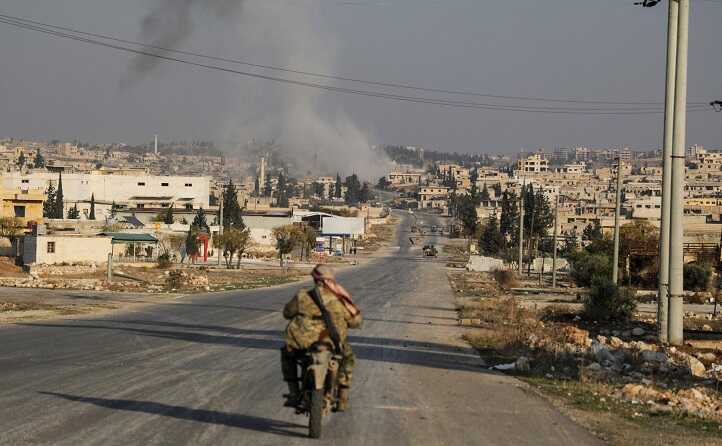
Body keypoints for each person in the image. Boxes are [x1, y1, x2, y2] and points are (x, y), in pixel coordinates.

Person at [281, 265, 362, 411]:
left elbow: (287, 313)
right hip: (331, 342)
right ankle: (343, 397)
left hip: (302, 343)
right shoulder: (340, 298)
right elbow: (355, 322)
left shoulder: (303, 296)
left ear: (314, 278)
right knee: (348, 358)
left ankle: (293, 392)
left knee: (287, 354)